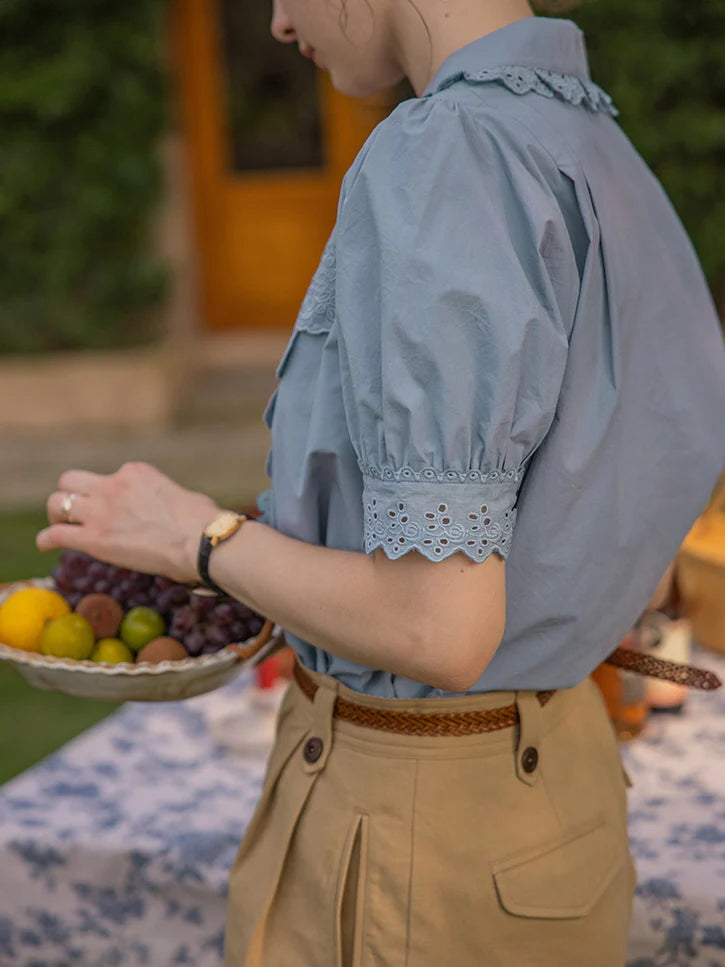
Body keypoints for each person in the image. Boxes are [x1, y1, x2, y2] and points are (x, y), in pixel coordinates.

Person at [38, 1, 725, 964]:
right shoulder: (589, 139)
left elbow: (434, 627)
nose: (276, 24)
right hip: (548, 800)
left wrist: (197, 539)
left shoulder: (449, 156)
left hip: (415, 830)